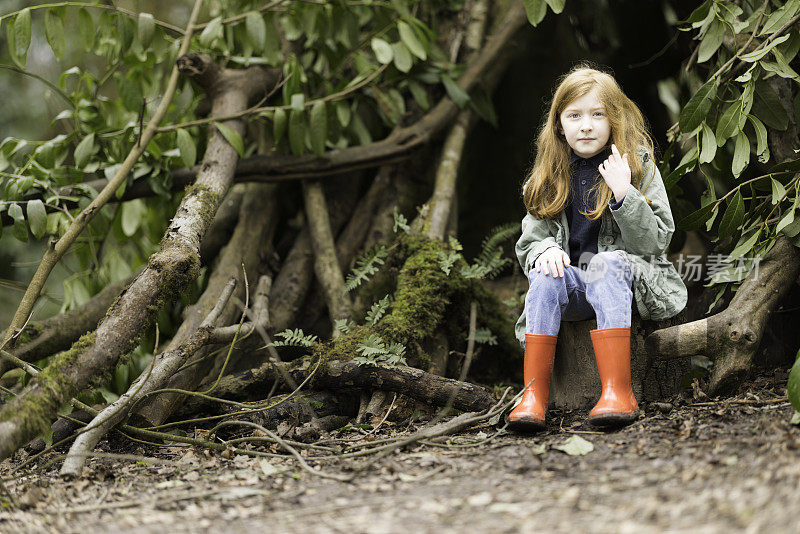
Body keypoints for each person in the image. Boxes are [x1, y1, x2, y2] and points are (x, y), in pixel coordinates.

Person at [508, 64, 687, 431]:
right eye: (574, 115)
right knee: (544, 275)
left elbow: (656, 243)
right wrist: (543, 250)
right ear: (559, 124)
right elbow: (530, 238)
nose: (585, 125)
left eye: (596, 114)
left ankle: (617, 391)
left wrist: (625, 194)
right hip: (576, 290)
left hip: (630, 286)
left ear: (614, 119)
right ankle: (533, 396)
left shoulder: (636, 166)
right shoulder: (550, 173)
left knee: (605, 263)